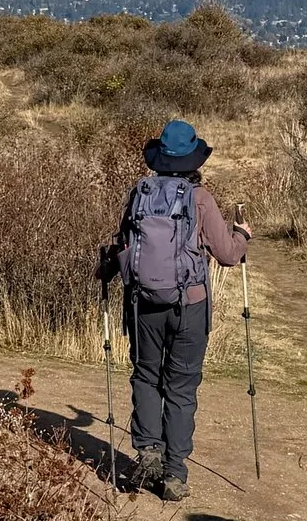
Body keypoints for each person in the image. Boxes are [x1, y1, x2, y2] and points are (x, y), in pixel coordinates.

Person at [98, 119, 250, 501]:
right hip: (189, 306)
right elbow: (229, 255)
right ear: (193, 159)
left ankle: (148, 451)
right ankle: (175, 475)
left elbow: (122, 245)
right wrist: (243, 235)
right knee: (181, 387)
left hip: (142, 303)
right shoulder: (200, 198)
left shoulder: (140, 192)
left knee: (146, 376)